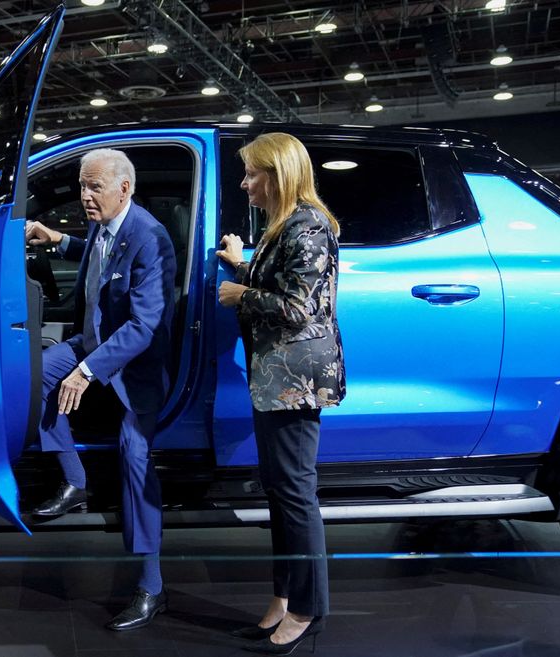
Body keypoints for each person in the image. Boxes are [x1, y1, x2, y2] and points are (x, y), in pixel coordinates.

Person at [25, 148, 177, 631]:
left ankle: (151, 587)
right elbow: (95, 252)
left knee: (134, 457)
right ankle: (75, 481)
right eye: (82, 185)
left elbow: (144, 325)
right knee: (38, 376)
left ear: (124, 189)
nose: (84, 195)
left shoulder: (150, 237)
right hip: (92, 341)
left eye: (94, 187)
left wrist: (87, 370)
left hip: (137, 368)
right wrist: (57, 238)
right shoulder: (104, 223)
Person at [215, 132, 345, 654]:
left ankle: (309, 609)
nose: (245, 183)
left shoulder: (309, 227)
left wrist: (241, 292)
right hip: (277, 380)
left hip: (295, 381)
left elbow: (301, 308)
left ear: (278, 174)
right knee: (282, 493)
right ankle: (284, 598)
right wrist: (241, 263)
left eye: (252, 174)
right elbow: (287, 285)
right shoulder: (286, 227)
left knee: (295, 496)